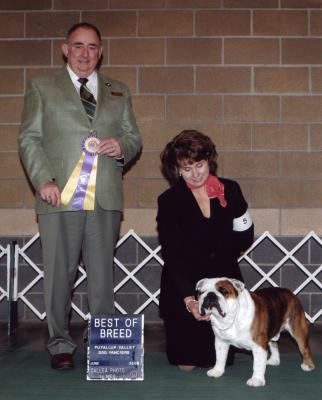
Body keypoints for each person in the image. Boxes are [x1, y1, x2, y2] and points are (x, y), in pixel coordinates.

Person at [18, 22, 142, 370]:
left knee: (102, 276)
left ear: (100, 52)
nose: (85, 53)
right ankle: (59, 343)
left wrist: (123, 146)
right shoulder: (42, 87)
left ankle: (102, 341)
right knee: (60, 274)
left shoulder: (118, 90)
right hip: (58, 197)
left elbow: (134, 137)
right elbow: (29, 138)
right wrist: (43, 179)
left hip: (104, 197)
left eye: (92, 47)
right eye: (78, 46)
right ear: (65, 49)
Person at [156, 130, 254, 372]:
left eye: (199, 165)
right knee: (186, 365)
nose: (195, 173)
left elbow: (245, 236)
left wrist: (237, 208)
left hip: (223, 287)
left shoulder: (230, 189)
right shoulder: (169, 201)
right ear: (177, 170)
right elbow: (173, 255)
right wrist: (190, 299)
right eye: (186, 168)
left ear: (209, 160)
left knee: (221, 362)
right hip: (185, 286)